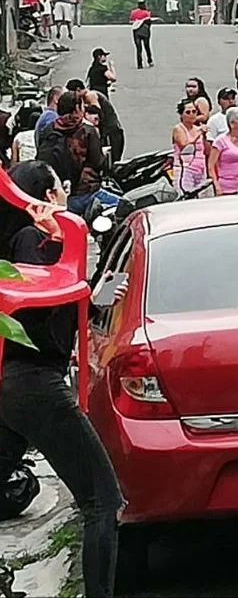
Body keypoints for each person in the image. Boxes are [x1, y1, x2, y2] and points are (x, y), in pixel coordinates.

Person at [0, 160, 124, 598]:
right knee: (103, 502)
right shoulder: (31, 240)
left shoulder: (32, 240)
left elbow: (57, 310)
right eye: (60, 188)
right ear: (45, 197)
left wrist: (92, 297)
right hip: (35, 384)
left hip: (16, 384)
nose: (65, 195)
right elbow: (41, 309)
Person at [36, 90, 110, 215]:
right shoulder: (87, 131)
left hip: (56, 193)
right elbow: (97, 162)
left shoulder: (49, 129)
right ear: (77, 109)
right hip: (85, 193)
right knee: (124, 206)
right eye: (82, 106)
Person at [208, 106, 238, 196]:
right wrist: (216, 185)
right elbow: (211, 165)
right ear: (232, 123)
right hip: (226, 189)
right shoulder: (220, 141)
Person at [171, 100, 208, 195]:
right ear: (181, 115)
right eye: (188, 112)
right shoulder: (178, 129)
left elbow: (205, 149)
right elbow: (184, 144)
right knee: (185, 194)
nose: (192, 114)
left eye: (194, 111)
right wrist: (199, 132)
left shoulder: (197, 128)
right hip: (185, 169)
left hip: (200, 168)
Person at [80, 88, 125, 162]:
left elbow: (97, 112)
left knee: (111, 160)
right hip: (110, 131)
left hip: (110, 132)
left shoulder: (90, 95)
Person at [130, 0, 154, 69]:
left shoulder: (133, 12)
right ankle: (149, 60)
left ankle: (139, 64)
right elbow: (149, 22)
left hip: (136, 31)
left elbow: (131, 20)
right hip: (145, 30)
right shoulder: (147, 13)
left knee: (138, 48)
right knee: (147, 46)